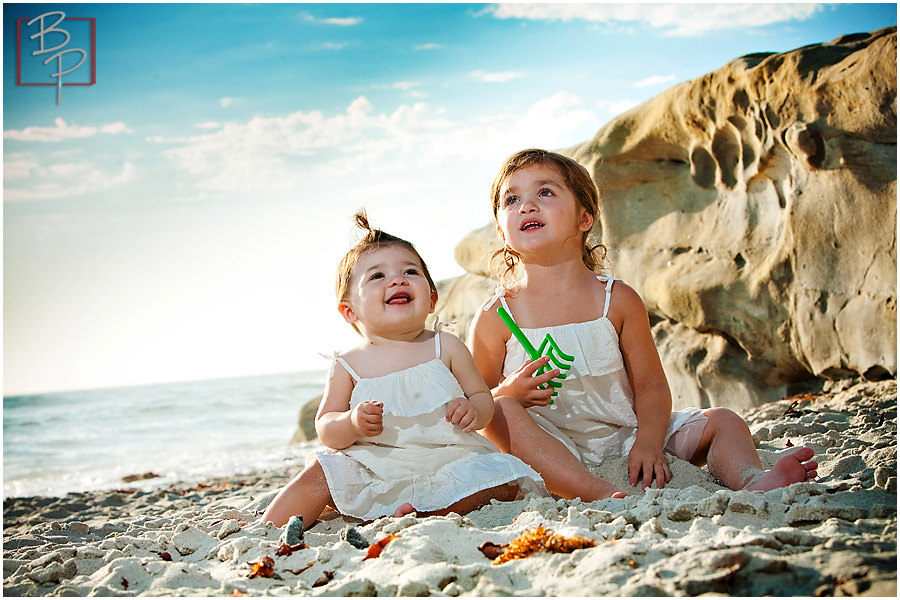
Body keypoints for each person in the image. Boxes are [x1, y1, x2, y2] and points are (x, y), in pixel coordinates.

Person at [468, 148, 818, 501]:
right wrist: (508, 393)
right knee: (501, 409)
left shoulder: (616, 300)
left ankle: (751, 479)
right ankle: (594, 491)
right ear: (501, 231)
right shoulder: (496, 316)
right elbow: (475, 405)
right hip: (547, 450)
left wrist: (649, 444)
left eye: (545, 192)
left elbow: (650, 385)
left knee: (724, 420)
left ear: (584, 218)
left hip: (626, 436)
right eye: (511, 199)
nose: (526, 206)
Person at [262, 211, 543, 528]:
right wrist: (352, 423)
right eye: (377, 276)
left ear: (432, 299)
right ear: (349, 310)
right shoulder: (348, 364)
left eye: (410, 272)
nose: (397, 280)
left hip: (447, 459)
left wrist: (473, 410)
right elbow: (326, 427)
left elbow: (481, 396)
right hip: (376, 464)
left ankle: (421, 515)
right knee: (321, 472)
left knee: (500, 477)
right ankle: (268, 528)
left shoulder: (445, 346)